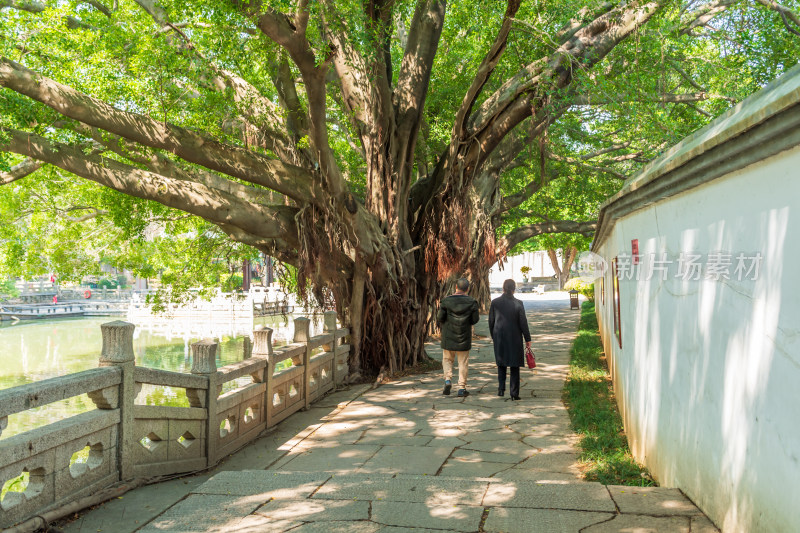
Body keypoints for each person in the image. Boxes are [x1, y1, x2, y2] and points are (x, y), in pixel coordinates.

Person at [488, 279, 531, 401]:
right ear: (514, 289)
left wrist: (494, 335)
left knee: (501, 363)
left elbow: (491, 321)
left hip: (499, 336)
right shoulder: (518, 303)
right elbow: (523, 323)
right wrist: (527, 338)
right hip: (515, 337)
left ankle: (501, 389)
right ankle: (514, 393)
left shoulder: (495, 302)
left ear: (503, 288)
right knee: (514, 364)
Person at [437, 277, 480, 397]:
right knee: (463, 363)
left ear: (456, 287)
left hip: (448, 336)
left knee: (447, 360)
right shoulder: (472, 302)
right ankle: (461, 388)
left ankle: (447, 380)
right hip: (464, 337)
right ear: (467, 289)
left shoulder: (446, 301)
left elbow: (440, 318)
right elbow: (475, 319)